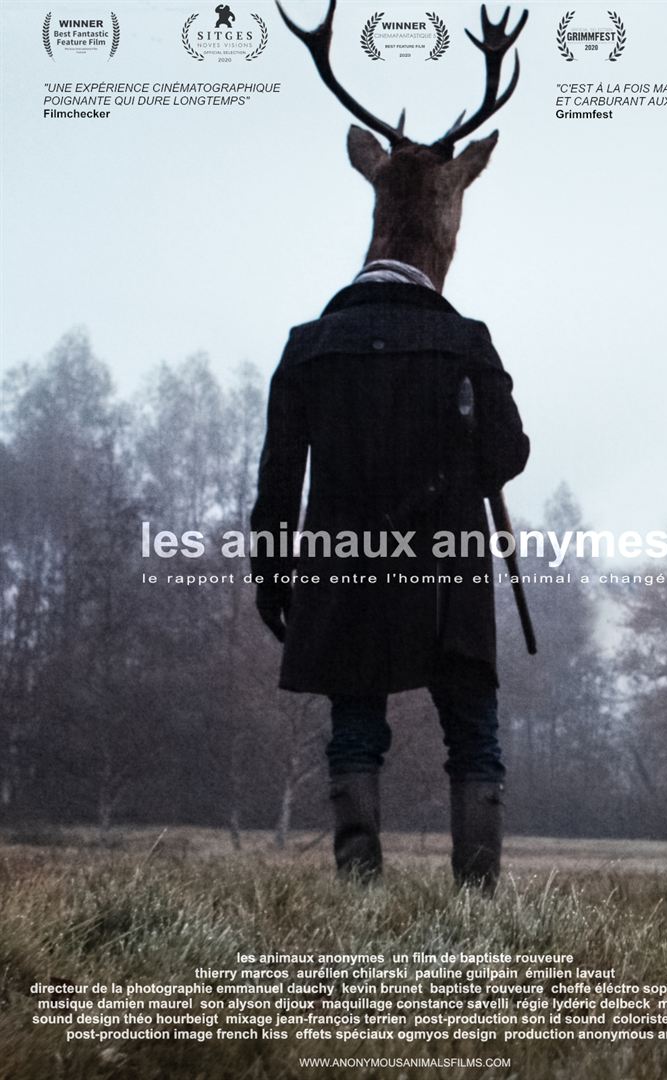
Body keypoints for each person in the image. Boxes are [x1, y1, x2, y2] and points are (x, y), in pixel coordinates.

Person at [251, 262, 529, 890]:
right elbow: (504, 457)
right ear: (425, 287)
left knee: (354, 730)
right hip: (448, 572)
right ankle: (477, 902)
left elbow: (278, 481)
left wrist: (272, 576)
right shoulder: (466, 340)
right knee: (473, 733)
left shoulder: (307, 347)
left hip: (345, 569)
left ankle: (360, 896)